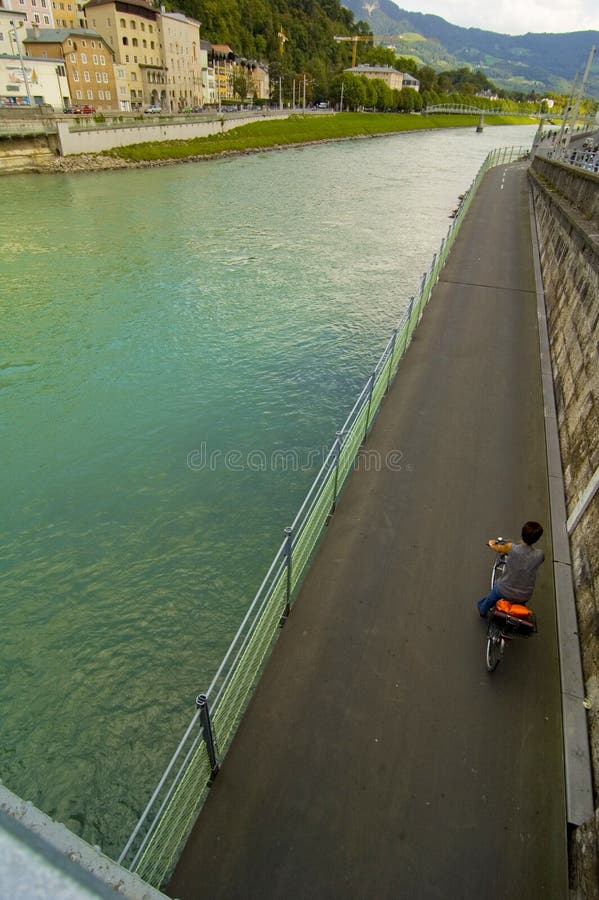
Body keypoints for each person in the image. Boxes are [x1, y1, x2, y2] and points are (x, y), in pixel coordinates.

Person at [477, 521, 544, 618]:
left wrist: (491, 543)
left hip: (504, 589)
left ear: (522, 533)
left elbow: (498, 548)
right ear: (536, 539)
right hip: (525, 595)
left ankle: (482, 610)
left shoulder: (512, 548)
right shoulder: (540, 555)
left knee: (489, 599)